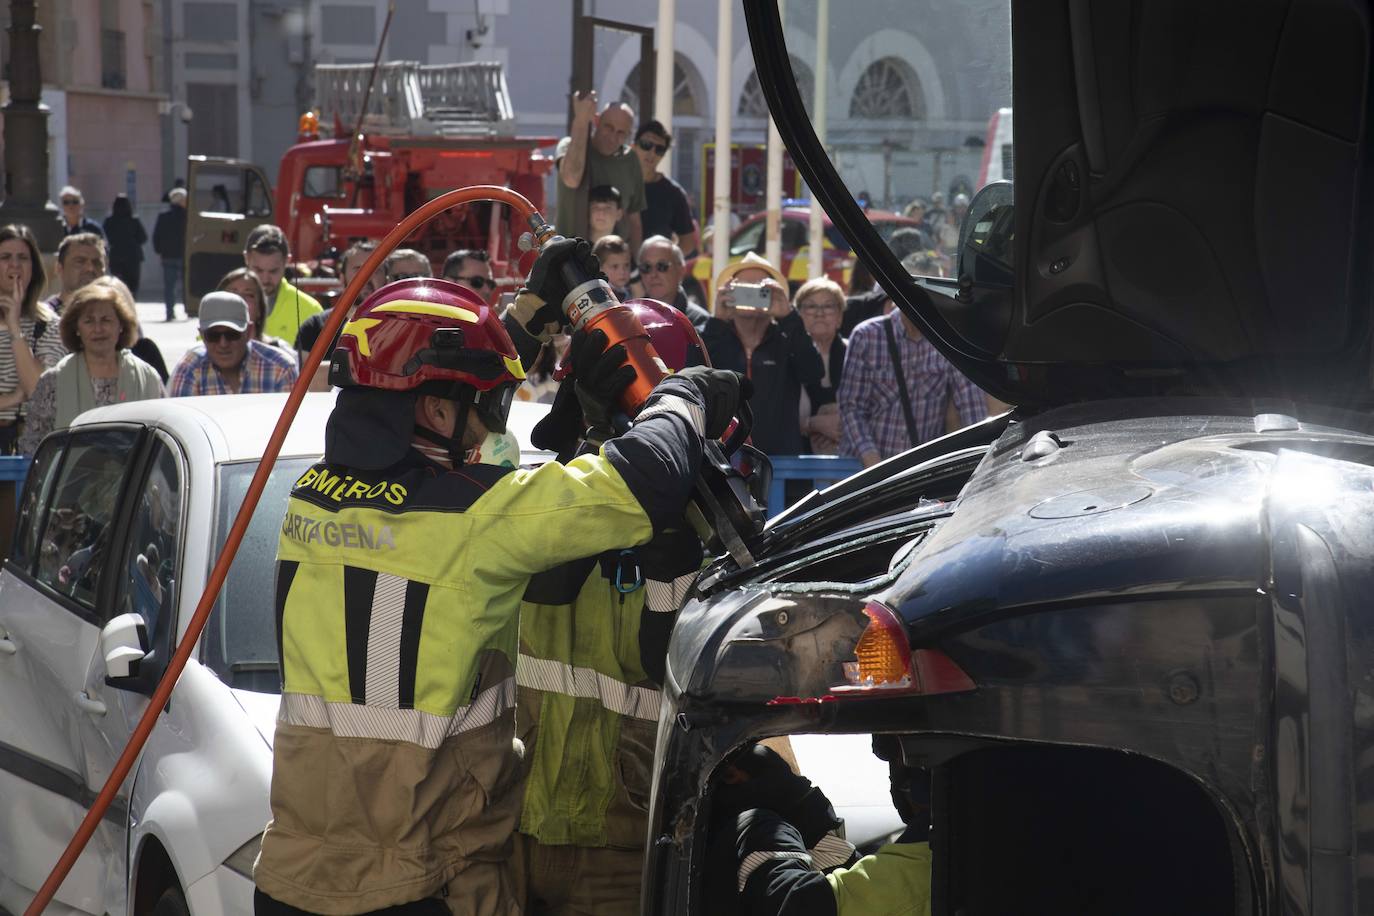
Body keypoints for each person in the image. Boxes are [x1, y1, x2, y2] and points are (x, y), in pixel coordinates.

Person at [252, 238, 748, 916]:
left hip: (292, 881)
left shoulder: (310, 499)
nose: (492, 424)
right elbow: (644, 484)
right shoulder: (477, 518)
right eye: (482, 404)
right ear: (432, 411)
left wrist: (528, 315)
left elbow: (446, 416)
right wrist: (681, 398)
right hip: (423, 885)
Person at [511, 299, 710, 916]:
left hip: (625, 846)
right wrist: (522, 315)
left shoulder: (708, 536)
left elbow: (684, 668)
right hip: (506, 834)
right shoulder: (535, 502)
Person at [709, 742, 932, 916]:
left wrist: (759, 832)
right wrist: (806, 814)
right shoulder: (940, 861)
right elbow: (855, 880)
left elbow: (797, 907)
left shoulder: (925, 869)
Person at [19, 278, 164, 454]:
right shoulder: (53, 381)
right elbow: (32, 445)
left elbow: (163, 441)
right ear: (77, 329)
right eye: (89, 321)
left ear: (121, 326)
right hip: (69, 480)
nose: (98, 329)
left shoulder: (148, 378)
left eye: (106, 320)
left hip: (136, 480)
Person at [701, 252, 825, 457]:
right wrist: (717, 322)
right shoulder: (716, 336)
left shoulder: (788, 339)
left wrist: (788, 317)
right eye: (743, 288)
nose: (751, 295)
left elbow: (813, 373)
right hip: (723, 461)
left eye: (761, 289)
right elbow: (694, 376)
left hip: (780, 465)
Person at [838, 305, 987, 466]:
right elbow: (851, 407)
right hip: (862, 469)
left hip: (918, 471)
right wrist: (873, 462)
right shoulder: (867, 335)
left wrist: (982, 459)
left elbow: (972, 407)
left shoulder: (948, 340)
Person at [0, 224, 67, 454]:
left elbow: (39, 391)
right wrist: (10, 400)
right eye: (5, 257)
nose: (15, 265)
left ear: (34, 268)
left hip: (26, 451)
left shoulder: (49, 324)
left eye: (23, 258)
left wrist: (14, 327)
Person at [557, 93, 646, 251]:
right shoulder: (570, 147)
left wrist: (636, 265)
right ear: (597, 121)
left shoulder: (630, 159)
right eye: (608, 127)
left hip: (612, 261)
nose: (613, 137)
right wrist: (582, 121)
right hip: (569, 256)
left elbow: (634, 218)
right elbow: (572, 178)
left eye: (620, 133)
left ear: (628, 135)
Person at [168, 291, 298, 396]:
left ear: (249, 332)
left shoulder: (281, 368)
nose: (223, 343)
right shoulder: (189, 369)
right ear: (201, 335)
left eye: (232, 334)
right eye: (213, 335)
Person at [295, 240, 382, 390]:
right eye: (358, 269)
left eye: (376, 269)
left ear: (386, 277)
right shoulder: (314, 327)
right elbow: (307, 381)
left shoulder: (399, 327)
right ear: (342, 278)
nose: (368, 276)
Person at [243, 224, 323, 343]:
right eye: (258, 270)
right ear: (246, 258)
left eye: (273, 271)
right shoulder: (223, 306)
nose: (265, 279)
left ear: (287, 261)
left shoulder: (310, 310)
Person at [793, 277, 847, 455]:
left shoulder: (856, 352)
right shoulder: (787, 356)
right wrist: (813, 424)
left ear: (839, 317)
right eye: (811, 306)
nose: (819, 313)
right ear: (798, 314)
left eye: (828, 306)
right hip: (799, 456)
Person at [633, 120, 698, 256]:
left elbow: (688, 242)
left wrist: (663, 263)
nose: (652, 152)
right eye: (646, 145)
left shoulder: (673, 193)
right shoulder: (617, 181)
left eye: (659, 149)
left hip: (651, 274)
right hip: (615, 271)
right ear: (634, 146)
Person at [217, 268, 296, 359]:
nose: (240, 299)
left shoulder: (282, 354)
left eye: (249, 295)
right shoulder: (201, 354)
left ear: (259, 309)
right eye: (232, 293)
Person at [637, 235, 710, 330]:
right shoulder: (631, 319)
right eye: (646, 267)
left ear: (681, 270)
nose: (653, 274)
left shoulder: (700, 322)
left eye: (662, 266)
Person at [46, 233, 107, 315]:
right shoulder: (44, 317)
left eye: (96, 263)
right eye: (80, 261)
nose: (90, 268)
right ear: (59, 269)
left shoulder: (116, 316)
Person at [102, 193, 149, 296]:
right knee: (133, 285)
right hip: (133, 256)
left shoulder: (109, 221)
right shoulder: (134, 221)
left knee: (117, 285)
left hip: (116, 255)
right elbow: (143, 238)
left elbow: (104, 237)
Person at [153, 187, 188, 321]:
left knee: (169, 286)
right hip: (183, 255)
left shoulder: (163, 216)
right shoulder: (187, 216)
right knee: (187, 284)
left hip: (167, 255)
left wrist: (160, 250)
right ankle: (188, 309)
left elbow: (156, 236)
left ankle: (169, 312)